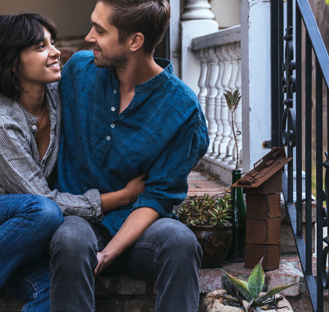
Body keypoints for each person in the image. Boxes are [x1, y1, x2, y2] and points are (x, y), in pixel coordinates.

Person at [0, 13, 145, 312]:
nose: (55, 52)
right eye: (41, 46)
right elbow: (41, 200)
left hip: (14, 235)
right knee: (44, 210)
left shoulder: (57, 93)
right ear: (13, 62)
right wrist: (123, 197)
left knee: (56, 289)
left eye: (52, 42)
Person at [48, 0, 209, 311]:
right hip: (81, 221)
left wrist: (110, 252)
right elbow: (26, 98)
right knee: (70, 238)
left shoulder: (181, 107)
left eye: (100, 30)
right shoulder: (78, 70)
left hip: (141, 232)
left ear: (135, 41)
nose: (88, 37)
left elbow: (159, 195)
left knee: (180, 241)